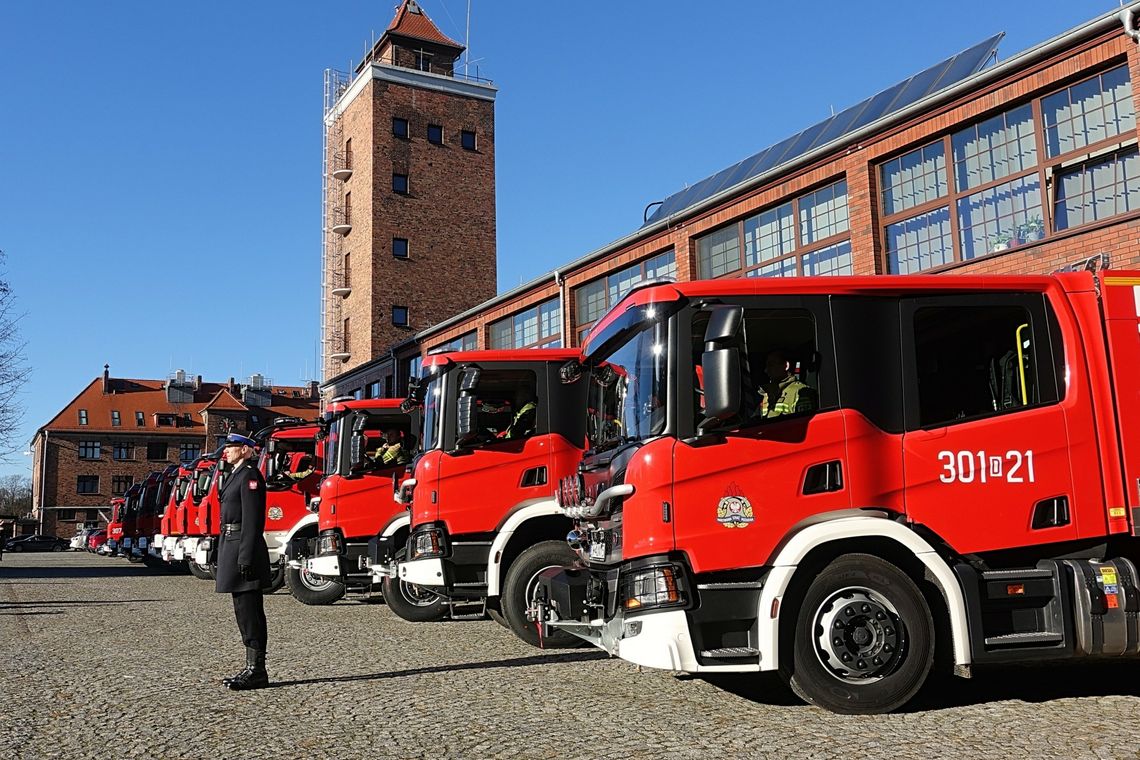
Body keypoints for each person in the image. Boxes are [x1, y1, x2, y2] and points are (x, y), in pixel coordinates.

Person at [215, 433, 272, 691]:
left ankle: (257, 670)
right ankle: (251, 665)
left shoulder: (249, 475)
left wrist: (246, 555)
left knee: (250, 611)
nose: (225, 451)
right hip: (232, 544)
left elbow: (252, 519)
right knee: (241, 609)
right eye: (225, 447)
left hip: (242, 546)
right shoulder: (235, 474)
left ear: (246, 451)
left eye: (231, 447)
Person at [759, 350, 815, 418]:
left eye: (771, 365)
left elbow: (804, 424)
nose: (766, 370)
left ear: (786, 365)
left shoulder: (800, 392)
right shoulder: (766, 394)